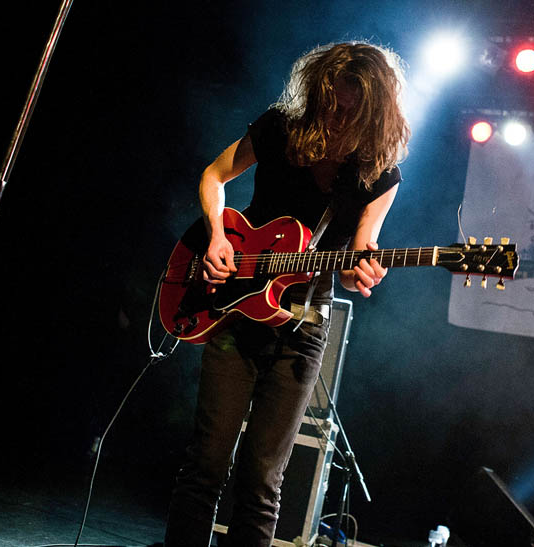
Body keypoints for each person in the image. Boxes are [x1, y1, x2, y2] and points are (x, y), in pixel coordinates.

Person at [164, 41, 411, 547]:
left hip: (301, 326)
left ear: (373, 110)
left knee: (262, 482)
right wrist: (215, 235)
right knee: (206, 465)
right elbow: (214, 176)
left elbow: (358, 254)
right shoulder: (281, 127)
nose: (337, 116)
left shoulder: (379, 173)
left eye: (350, 109)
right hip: (232, 310)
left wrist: (360, 272)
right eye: (331, 103)